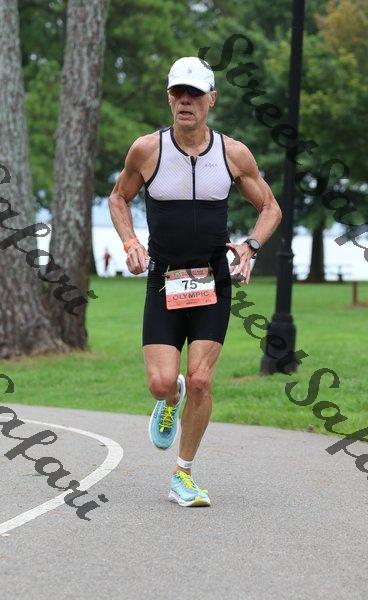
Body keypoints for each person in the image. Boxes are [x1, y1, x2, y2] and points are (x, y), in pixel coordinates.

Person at [108, 56, 282, 507]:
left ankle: (182, 474)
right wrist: (130, 242)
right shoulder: (147, 150)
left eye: (195, 93)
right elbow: (119, 197)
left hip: (212, 282)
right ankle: (171, 399)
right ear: (169, 98)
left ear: (211, 99)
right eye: (178, 93)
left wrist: (250, 247)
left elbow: (270, 207)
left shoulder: (232, 154)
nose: (185, 101)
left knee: (202, 380)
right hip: (163, 281)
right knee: (161, 383)